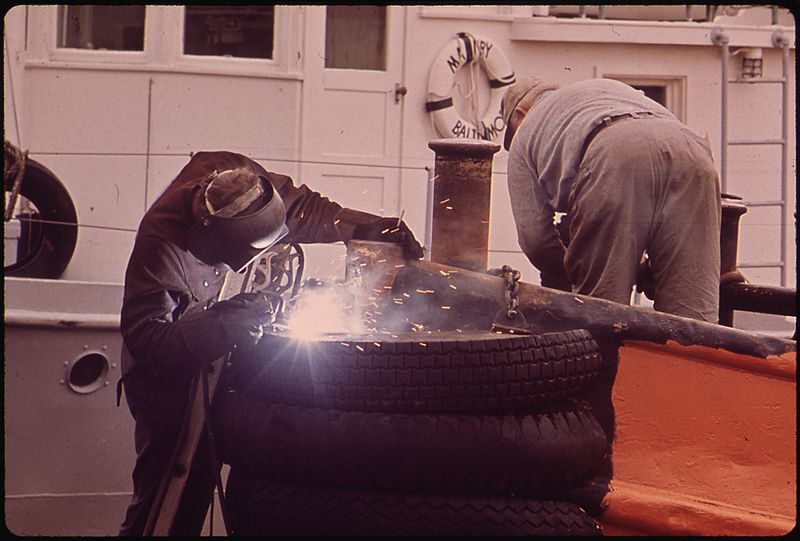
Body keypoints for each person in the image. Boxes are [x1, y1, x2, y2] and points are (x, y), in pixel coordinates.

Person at [117, 150, 423, 536]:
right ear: (217, 246)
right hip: (165, 373)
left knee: (206, 470)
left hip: (211, 338)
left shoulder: (241, 182)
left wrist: (364, 226)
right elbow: (146, 338)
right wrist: (226, 324)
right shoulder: (161, 248)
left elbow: (303, 210)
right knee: (170, 488)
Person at [501, 76, 722, 322]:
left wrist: (574, 271)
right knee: (692, 317)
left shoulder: (525, 131)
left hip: (615, 152)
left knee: (603, 314)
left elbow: (536, 241)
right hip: (692, 152)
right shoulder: (604, 90)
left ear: (519, 114)